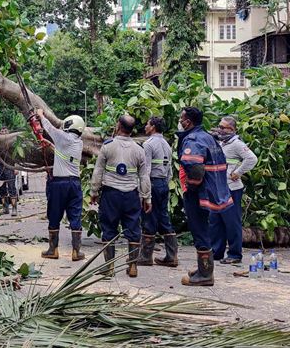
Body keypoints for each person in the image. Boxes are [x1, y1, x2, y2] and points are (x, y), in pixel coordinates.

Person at [176, 107, 233, 287]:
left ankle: (205, 274)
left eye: (181, 118)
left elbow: (194, 167)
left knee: (199, 230)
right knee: (203, 229)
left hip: (198, 194)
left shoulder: (193, 139)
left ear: (188, 122)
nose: (180, 121)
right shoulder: (208, 137)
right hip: (211, 191)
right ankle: (203, 268)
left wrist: (190, 188)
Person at [90, 115, 151, 278]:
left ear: (118, 125)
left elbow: (98, 171)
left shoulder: (108, 146)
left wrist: (94, 192)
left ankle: (109, 268)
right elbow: (144, 176)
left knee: (109, 229)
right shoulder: (139, 149)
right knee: (133, 229)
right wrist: (146, 197)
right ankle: (132, 267)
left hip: (111, 195)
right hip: (131, 195)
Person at [36, 109, 85, 262]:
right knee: (75, 215)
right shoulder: (79, 142)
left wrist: (41, 115)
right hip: (75, 183)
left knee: (54, 215)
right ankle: (76, 251)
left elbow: (50, 129)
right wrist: (50, 144)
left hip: (60, 183)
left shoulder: (63, 137)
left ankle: (53, 250)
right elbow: (62, 150)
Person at [210, 116, 257, 264]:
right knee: (215, 220)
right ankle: (216, 252)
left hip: (232, 188)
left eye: (223, 127)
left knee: (231, 221)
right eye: (219, 126)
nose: (220, 129)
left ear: (232, 129)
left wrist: (238, 172)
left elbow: (252, 158)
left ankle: (235, 254)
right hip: (218, 188)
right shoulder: (220, 143)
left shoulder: (237, 144)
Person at [138, 116, 179, 267]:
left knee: (148, 217)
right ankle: (172, 256)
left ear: (153, 126)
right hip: (163, 184)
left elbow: (145, 170)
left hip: (153, 183)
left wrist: (144, 193)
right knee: (164, 218)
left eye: (147, 124)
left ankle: (146, 256)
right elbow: (169, 170)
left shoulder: (148, 144)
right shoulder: (166, 144)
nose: (145, 127)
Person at [0, 133, 18, 216]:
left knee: (12, 188)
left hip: (9, 167)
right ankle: (5, 208)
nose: (3, 132)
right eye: (2, 130)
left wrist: (16, 167)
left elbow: (16, 156)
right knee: (2, 189)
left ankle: (14, 208)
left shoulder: (12, 142)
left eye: (5, 130)